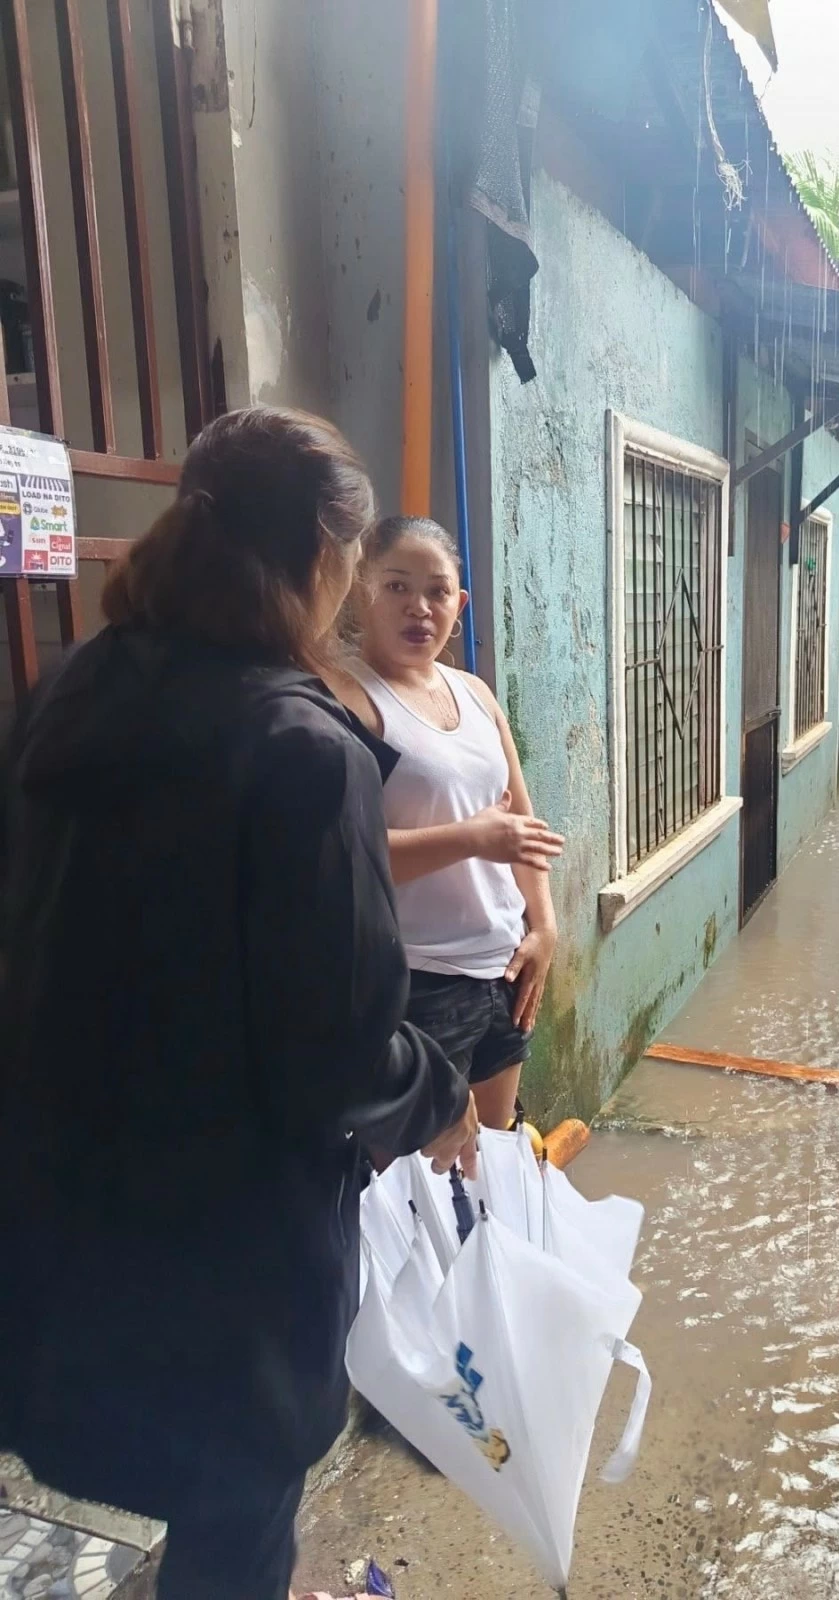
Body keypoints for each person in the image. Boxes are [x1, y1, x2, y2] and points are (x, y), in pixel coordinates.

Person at [0, 409, 478, 1600]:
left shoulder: (74, 687)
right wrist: (440, 1091)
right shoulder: (301, 748)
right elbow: (340, 1049)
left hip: (61, 1199)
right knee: (234, 1516)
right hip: (225, 1246)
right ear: (323, 556)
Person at [329, 514, 562, 1131]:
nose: (419, 608)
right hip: (417, 979)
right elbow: (345, 856)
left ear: (459, 604)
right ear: (361, 590)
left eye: (436, 592)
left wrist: (544, 928)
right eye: (397, 586)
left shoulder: (476, 694)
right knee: (419, 1169)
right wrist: (472, 838)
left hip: (504, 968)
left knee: (496, 1151)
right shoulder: (347, 700)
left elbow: (523, 824)